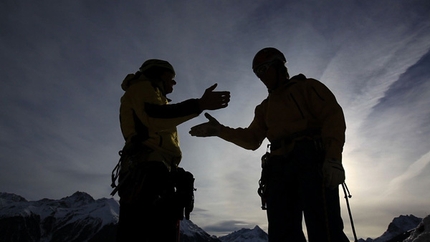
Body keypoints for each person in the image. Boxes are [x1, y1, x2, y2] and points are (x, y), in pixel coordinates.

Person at [189, 47, 349, 242]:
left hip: (310, 159)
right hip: (278, 167)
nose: (261, 77)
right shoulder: (265, 107)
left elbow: (332, 117)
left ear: (279, 66)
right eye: (257, 73)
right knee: (282, 233)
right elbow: (251, 139)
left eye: (263, 69)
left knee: (324, 229)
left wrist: (333, 158)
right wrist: (220, 131)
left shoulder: (307, 87)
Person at [115, 59, 230, 242]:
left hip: (152, 170)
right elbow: (155, 117)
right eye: (171, 77)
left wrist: (174, 171)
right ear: (158, 76)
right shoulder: (142, 88)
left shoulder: (153, 95)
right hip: (147, 172)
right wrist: (199, 105)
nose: (174, 82)